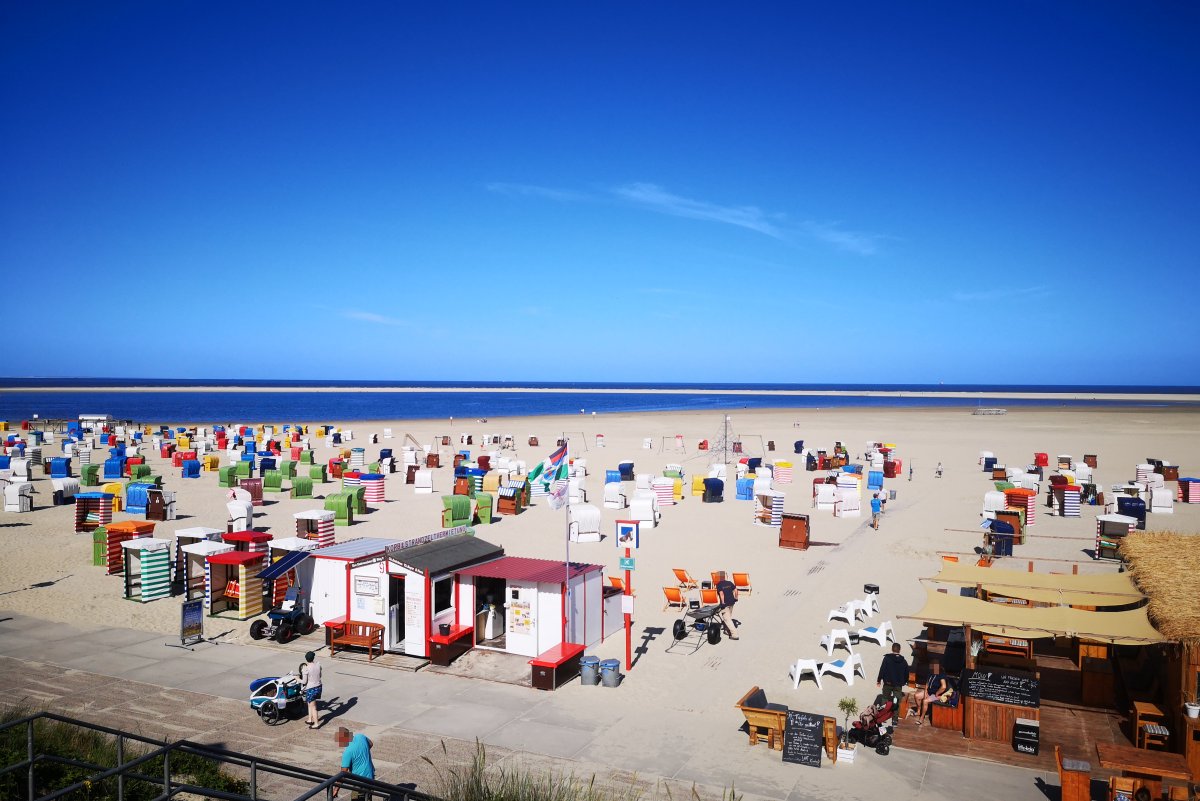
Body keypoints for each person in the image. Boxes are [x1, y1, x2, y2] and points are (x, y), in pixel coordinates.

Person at [333, 726, 374, 800]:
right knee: (368, 797)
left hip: (359, 780)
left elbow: (343, 773)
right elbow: (371, 744)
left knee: (355, 798)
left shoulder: (348, 752)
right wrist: (362, 752)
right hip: (370, 775)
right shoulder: (361, 737)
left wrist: (336, 789)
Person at [876, 642, 909, 723]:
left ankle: (883, 716)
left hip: (888, 683)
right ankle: (894, 719)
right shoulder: (903, 661)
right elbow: (906, 673)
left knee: (885, 699)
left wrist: (879, 680)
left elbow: (882, 670)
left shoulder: (887, 658)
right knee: (896, 701)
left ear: (892, 649)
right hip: (898, 685)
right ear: (899, 650)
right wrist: (904, 682)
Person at [714, 572, 739, 640]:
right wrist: (736, 598)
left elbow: (721, 594)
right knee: (728, 617)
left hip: (725, 604)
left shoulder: (718, 584)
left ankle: (735, 635)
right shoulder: (729, 583)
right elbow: (736, 590)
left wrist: (723, 602)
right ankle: (726, 630)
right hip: (732, 602)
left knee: (727, 619)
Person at [301, 650, 322, 728]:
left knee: (313, 706)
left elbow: (304, 681)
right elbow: (320, 676)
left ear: (306, 659)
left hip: (311, 688)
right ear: (313, 658)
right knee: (310, 703)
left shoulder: (306, 668)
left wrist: (297, 679)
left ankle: (316, 724)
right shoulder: (318, 665)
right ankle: (310, 719)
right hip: (319, 687)